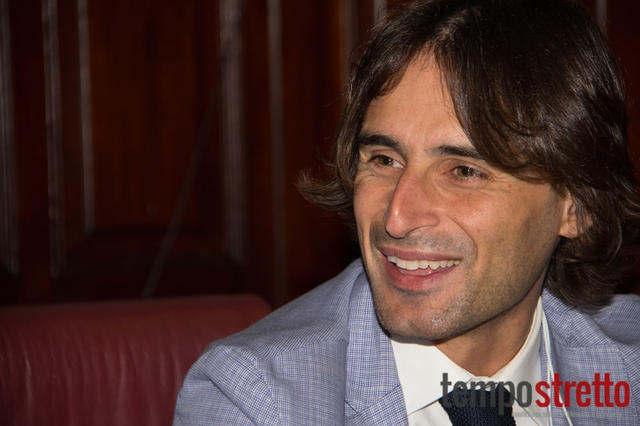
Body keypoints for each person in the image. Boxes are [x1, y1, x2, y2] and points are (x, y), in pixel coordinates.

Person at [173, 0, 640, 424]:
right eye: (384, 160)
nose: (396, 217)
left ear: (577, 206)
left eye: (463, 171)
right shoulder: (257, 402)